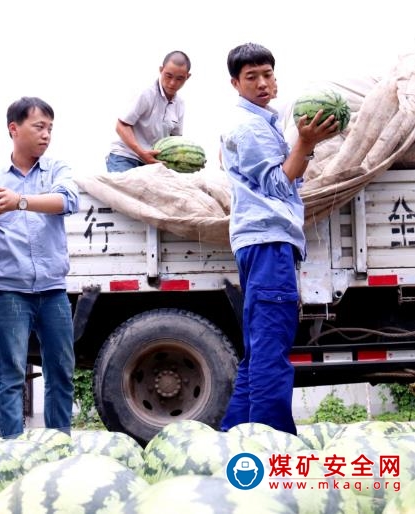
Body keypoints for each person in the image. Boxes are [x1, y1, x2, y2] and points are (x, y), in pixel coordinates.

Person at [219, 43, 339, 435]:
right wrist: (305, 143)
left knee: (258, 353)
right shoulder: (249, 126)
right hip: (268, 243)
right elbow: (276, 184)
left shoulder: (266, 123)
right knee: (270, 349)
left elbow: (289, 177)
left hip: (264, 243)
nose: (262, 83)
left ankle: (233, 442)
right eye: (251, 77)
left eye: (267, 74)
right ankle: (274, 447)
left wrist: (304, 146)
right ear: (235, 83)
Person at [0, 96, 79, 439]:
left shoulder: (56, 171)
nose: (46, 135)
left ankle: (58, 443)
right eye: (39, 126)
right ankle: (11, 447)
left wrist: (19, 202)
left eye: (50, 128)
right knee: (9, 374)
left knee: (61, 372)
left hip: (53, 290)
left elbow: (68, 201)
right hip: (10, 291)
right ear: (14, 129)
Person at [106, 50, 191, 172]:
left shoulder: (180, 104)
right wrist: (141, 153)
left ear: (187, 77)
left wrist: (190, 163)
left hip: (151, 162)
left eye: (179, 79)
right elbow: (121, 126)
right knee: (128, 190)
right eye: (168, 76)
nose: (172, 83)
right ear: (161, 70)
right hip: (125, 156)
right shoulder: (146, 93)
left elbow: (175, 140)